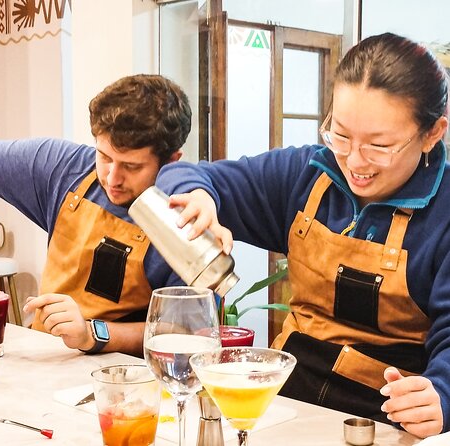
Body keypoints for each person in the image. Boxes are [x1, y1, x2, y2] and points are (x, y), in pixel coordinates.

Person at [155, 33, 449, 438]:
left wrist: (442, 395)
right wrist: (198, 196)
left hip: (384, 419)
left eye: (379, 146)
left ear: (433, 133)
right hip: (286, 406)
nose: (354, 161)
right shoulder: (306, 174)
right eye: (341, 135)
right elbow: (186, 174)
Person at [0, 74, 191, 357]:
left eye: (132, 167)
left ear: (171, 160)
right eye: (105, 157)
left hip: (123, 380)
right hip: (46, 358)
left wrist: (92, 334)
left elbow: (184, 332)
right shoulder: (66, 168)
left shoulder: (186, 219)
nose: (112, 178)